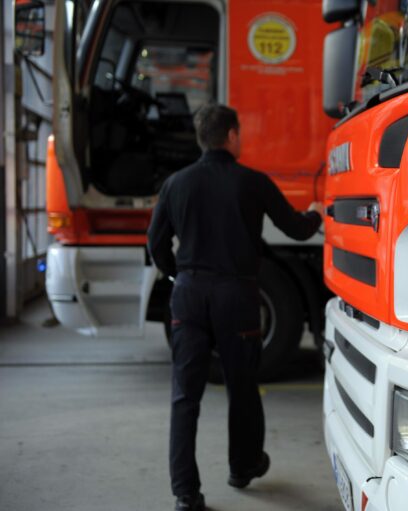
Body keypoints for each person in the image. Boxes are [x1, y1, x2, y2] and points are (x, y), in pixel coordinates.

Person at [148, 103, 323, 511]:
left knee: (184, 397)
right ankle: (243, 467)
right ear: (231, 136)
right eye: (239, 133)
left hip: (189, 295)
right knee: (242, 388)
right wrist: (315, 216)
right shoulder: (252, 182)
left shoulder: (176, 184)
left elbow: (156, 244)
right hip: (237, 297)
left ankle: (185, 494)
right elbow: (296, 229)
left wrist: (180, 275)